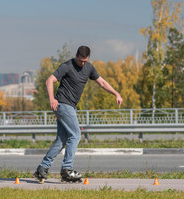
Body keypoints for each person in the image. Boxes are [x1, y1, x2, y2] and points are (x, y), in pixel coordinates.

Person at [33, 46, 123, 183]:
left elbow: (102, 83)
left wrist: (116, 93)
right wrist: (52, 99)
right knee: (76, 134)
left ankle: (42, 168)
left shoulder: (89, 68)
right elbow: (49, 80)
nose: (82, 64)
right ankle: (67, 170)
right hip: (62, 104)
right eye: (80, 61)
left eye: (85, 61)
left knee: (62, 139)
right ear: (76, 56)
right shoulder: (67, 66)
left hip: (71, 107)